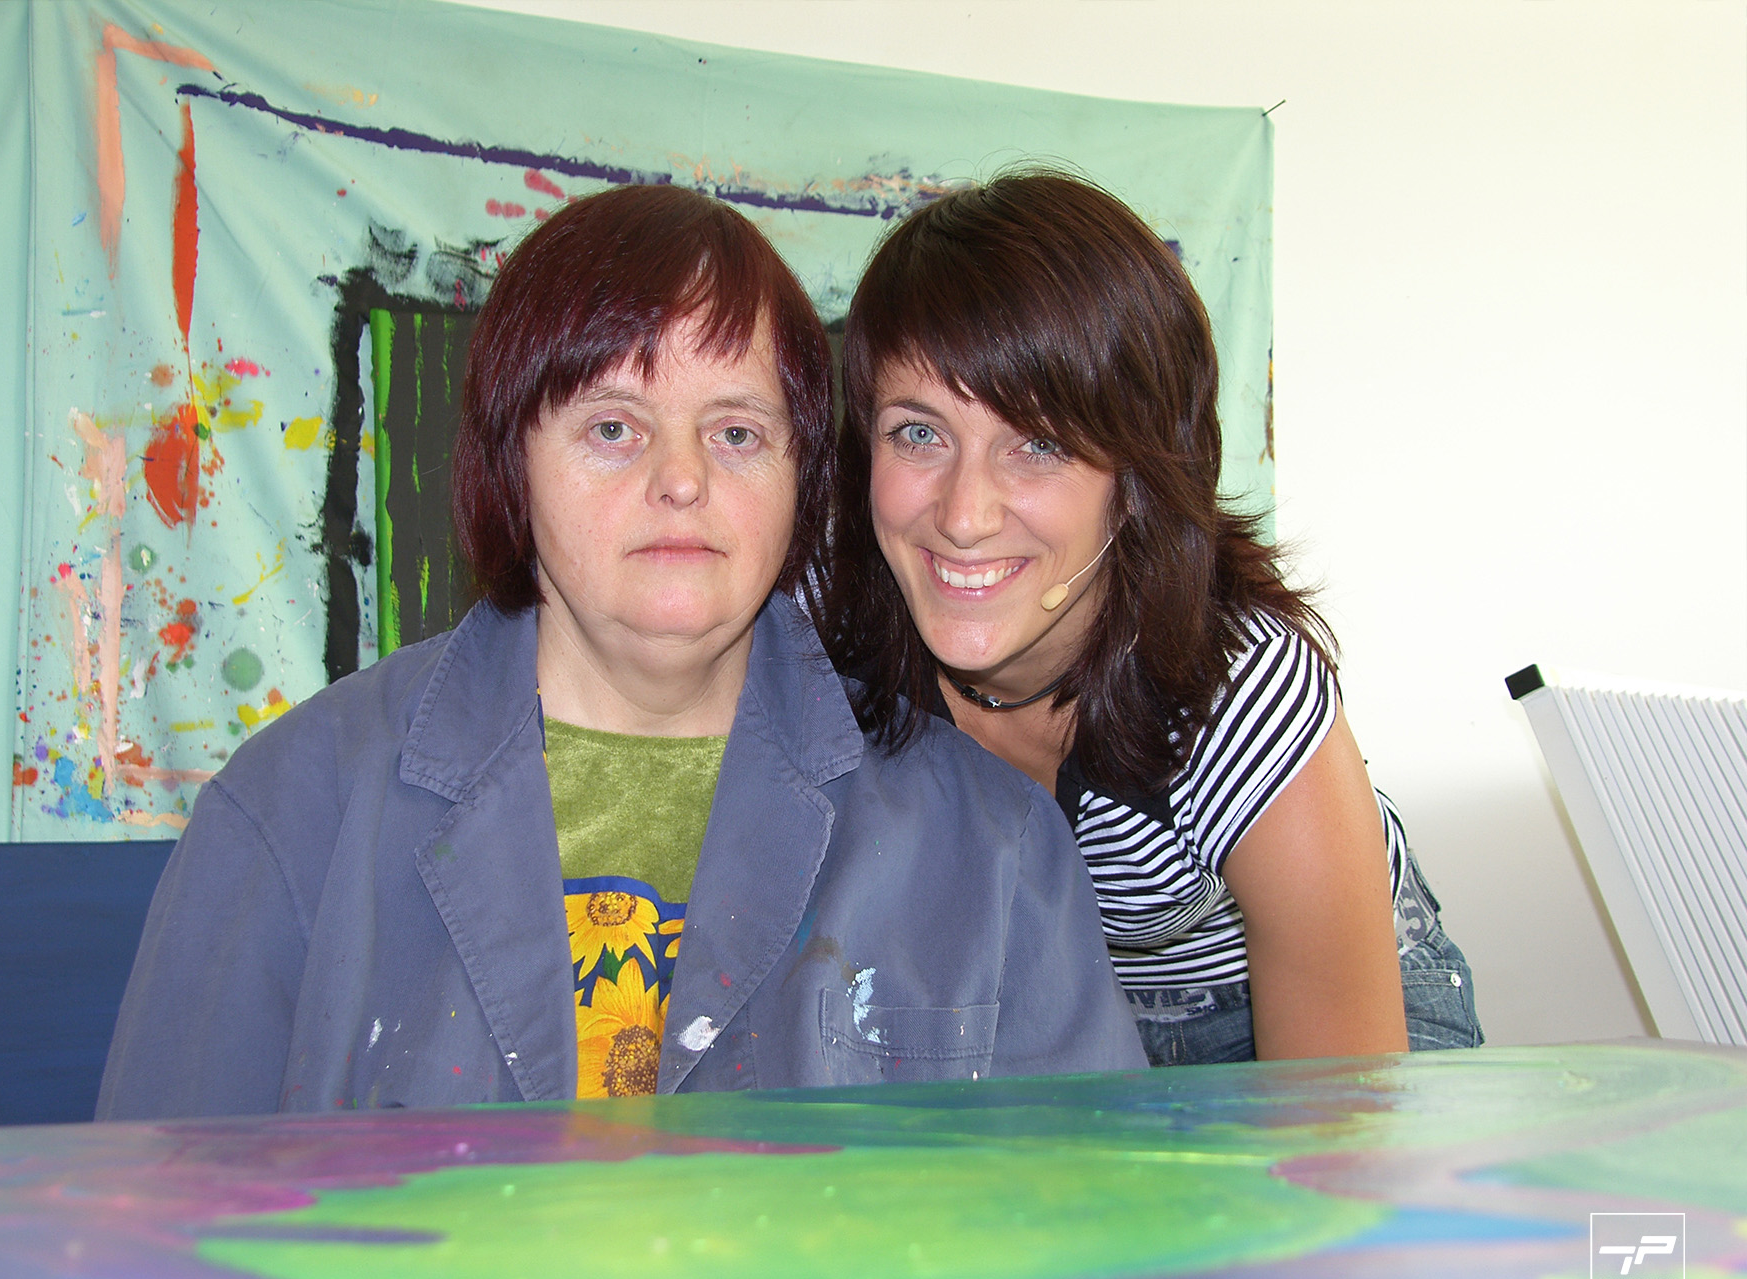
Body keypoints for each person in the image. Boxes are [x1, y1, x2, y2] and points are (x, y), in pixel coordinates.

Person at [97, 184, 1144, 1120]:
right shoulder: (291, 814)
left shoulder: (997, 852)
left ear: (805, 478)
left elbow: (1095, 1249)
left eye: (736, 433)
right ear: (511, 462)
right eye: (612, 427)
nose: (682, 480)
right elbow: (151, 1245)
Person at [816, 171, 1482, 1066]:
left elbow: (1342, 1120)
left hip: (1290, 1003)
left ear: (1133, 482)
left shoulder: (1238, 693)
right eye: (919, 433)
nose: (964, 516)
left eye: (1038, 443)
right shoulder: (839, 636)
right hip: (1064, 1016)